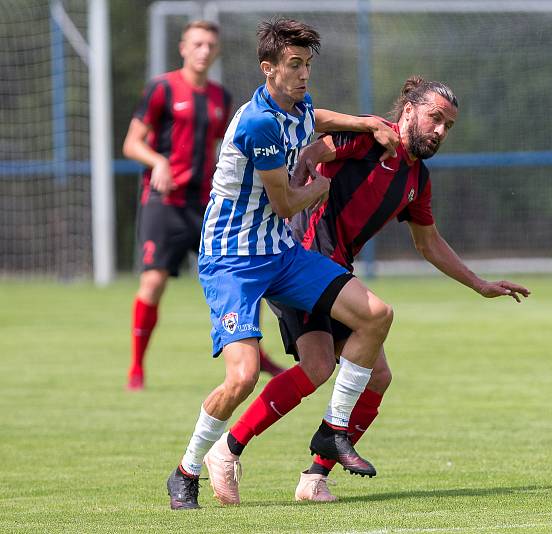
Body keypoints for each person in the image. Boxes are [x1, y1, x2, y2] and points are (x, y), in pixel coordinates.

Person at [203, 76, 531, 505]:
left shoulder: (418, 178)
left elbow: (428, 241)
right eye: (435, 118)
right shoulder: (372, 138)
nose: (440, 131)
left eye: (448, 126)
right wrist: (304, 185)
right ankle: (229, 451)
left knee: (371, 376)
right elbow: (314, 148)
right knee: (329, 365)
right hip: (305, 258)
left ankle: (310, 475)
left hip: (335, 269)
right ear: (409, 110)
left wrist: (479, 284)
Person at [165, 17, 401, 510]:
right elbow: (288, 204)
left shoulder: (297, 105)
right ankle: (187, 469)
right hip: (232, 262)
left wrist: (367, 123)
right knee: (242, 377)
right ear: (267, 69)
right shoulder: (258, 124)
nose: (303, 75)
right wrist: (320, 183)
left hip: (281, 256)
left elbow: (317, 119)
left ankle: (334, 430)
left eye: (307, 65)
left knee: (376, 315)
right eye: (294, 65)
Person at [123, 20, 285, 391]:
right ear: (183, 48)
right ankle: (136, 366)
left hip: (207, 206)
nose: (203, 51)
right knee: (153, 281)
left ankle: (254, 354)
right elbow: (132, 143)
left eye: (210, 45)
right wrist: (158, 162)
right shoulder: (162, 88)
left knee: (247, 266)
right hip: (164, 203)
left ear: (216, 51)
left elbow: (221, 150)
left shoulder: (219, 98)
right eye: (196, 44)